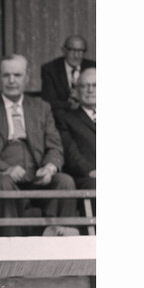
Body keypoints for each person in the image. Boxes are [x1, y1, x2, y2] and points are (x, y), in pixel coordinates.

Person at [0, 53, 77, 236]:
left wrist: (49, 168)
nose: (12, 81)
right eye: (6, 75)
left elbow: (54, 145)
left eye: (17, 75)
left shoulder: (41, 108)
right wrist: (5, 168)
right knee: (4, 185)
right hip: (1, 176)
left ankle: (59, 241)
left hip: (36, 175)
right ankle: (13, 244)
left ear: (27, 77)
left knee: (65, 182)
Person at [57, 67, 96, 205]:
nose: (90, 90)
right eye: (85, 86)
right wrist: (90, 171)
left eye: (95, 85)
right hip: (87, 177)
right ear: (77, 91)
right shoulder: (66, 120)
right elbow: (71, 153)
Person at [40, 35, 96, 124]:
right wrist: (70, 105)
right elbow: (48, 100)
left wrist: (80, 99)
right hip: (62, 117)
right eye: (72, 50)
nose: (76, 55)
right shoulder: (50, 69)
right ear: (64, 50)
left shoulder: (94, 67)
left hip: (89, 115)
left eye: (80, 51)